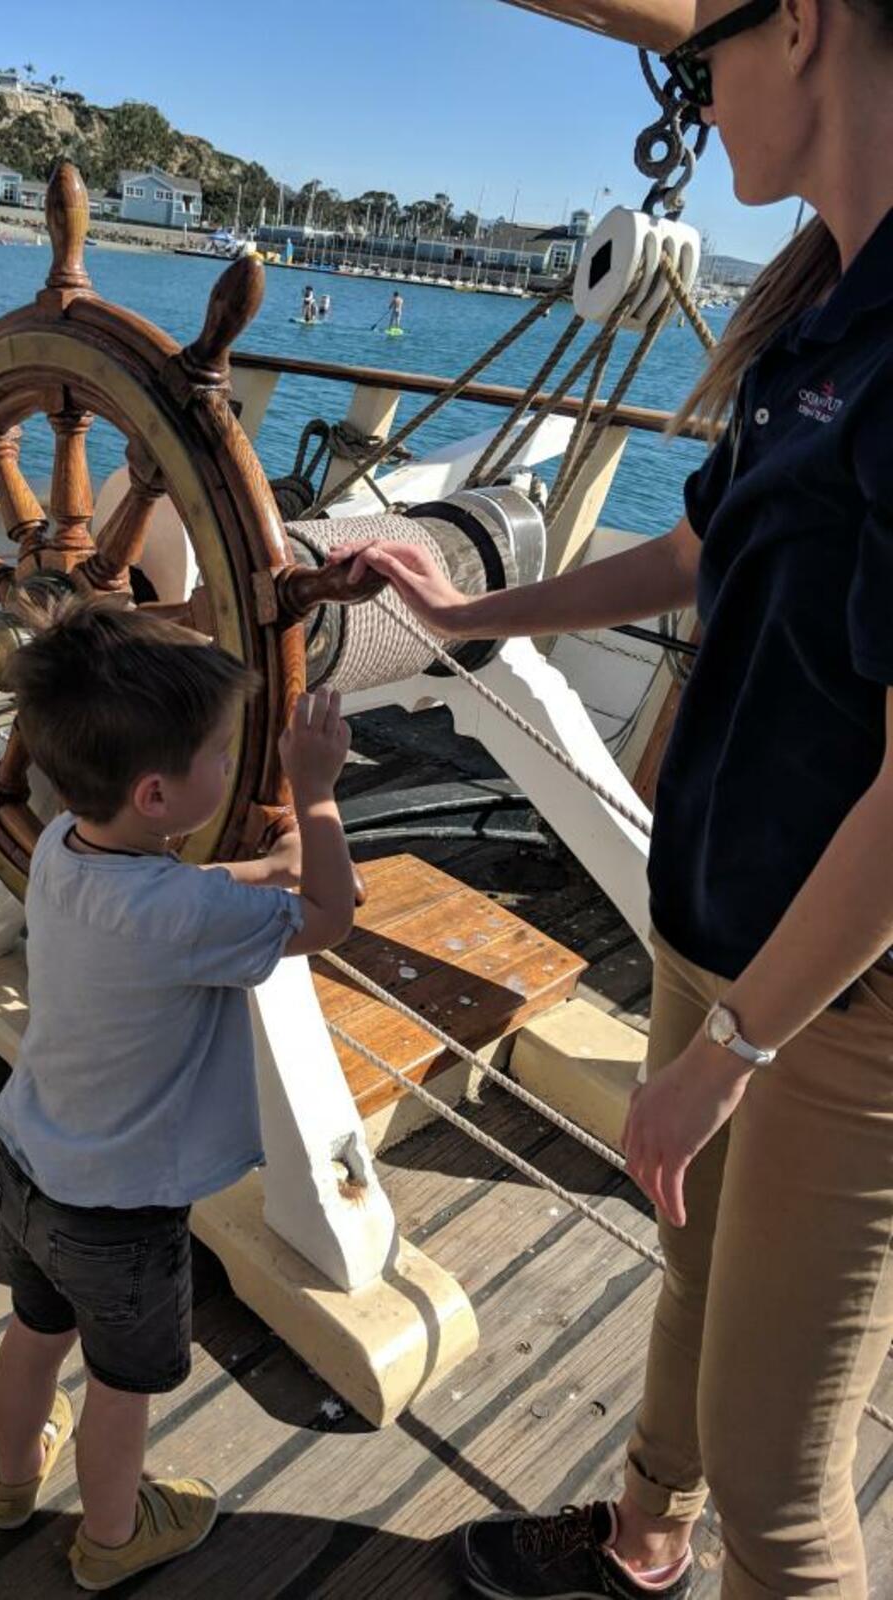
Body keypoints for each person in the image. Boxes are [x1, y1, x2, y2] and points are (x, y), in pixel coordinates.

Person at [332, 0, 893, 1592]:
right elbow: (698, 554)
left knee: (786, 1495)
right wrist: (456, 617)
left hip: (842, 1010)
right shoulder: (823, 307)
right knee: (693, 1283)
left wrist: (732, 1050)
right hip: (723, 924)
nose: (695, 106)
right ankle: (643, 1544)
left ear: (803, 25)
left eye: (694, 55)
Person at [0, 603, 355, 1591]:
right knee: (119, 1389)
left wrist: (247, 870)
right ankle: (113, 1537)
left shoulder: (63, 842)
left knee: (33, 1333)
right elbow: (329, 917)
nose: (233, 763)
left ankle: (9, 1478)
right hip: (122, 1217)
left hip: (26, 1169)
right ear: (158, 791)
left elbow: (156, 892)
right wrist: (314, 795)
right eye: (223, 753)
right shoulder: (187, 911)